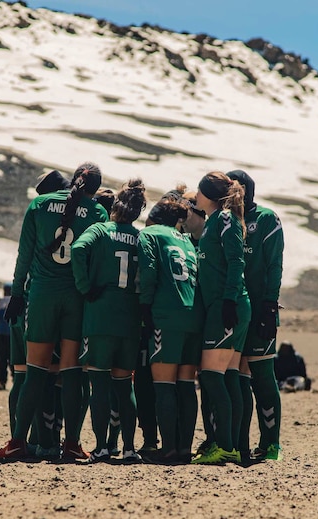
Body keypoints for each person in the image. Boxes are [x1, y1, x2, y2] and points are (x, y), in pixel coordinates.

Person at [0, 162, 108, 461]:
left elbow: (24, 255)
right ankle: (71, 443)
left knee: (35, 371)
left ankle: (18, 441)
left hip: (43, 296)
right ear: (95, 189)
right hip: (76, 299)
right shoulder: (97, 212)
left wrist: (17, 294)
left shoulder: (40, 204)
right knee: (72, 371)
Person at [72, 179, 147, 463]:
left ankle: (102, 446)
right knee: (124, 385)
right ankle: (129, 447)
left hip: (100, 317)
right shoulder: (141, 238)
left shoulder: (100, 230)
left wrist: (84, 286)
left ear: (115, 205)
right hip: (129, 320)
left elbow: (78, 250)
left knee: (99, 386)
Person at [190, 171, 251, 465]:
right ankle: (235, 445)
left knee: (213, 378)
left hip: (229, 305)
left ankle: (225, 445)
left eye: (199, 192)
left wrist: (228, 298)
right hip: (225, 304)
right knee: (228, 378)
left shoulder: (224, 219)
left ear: (210, 196)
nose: (195, 196)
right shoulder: (213, 221)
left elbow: (236, 258)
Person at [137, 195, 201, 464]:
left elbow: (149, 271)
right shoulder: (185, 238)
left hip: (166, 314)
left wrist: (145, 307)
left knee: (163, 384)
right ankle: (185, 448)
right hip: (193, 315)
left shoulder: (149, 234)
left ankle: (169, 449)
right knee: (186, 384)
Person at [228, 169, 284, 462]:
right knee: (235, 377)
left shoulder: (265, 219)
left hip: (260, 309)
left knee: (262, 375)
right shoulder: (224, 220)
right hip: (233, 309)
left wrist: (269, 305)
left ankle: (271, 444)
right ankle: (239, 444)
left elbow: (275, 265)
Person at [0, 283, 13, 390]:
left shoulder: (15, 303)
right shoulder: (1, 304)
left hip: (9, 335)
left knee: (11, 359)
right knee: (2, 360)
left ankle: (14, 381)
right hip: (2, 334)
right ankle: (2, 382)